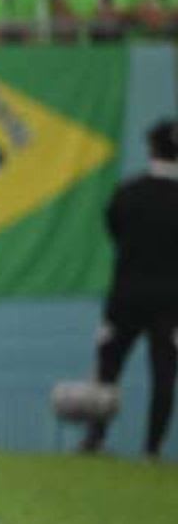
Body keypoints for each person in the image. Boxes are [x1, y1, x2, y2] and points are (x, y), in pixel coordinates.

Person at [80, 119, 178, 459]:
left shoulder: (129, 194)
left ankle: (94, 438)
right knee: (164, 373)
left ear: (151, 149)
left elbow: (115, 230)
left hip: (126, 297)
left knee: (109, 367)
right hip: (171, 301)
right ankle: (152, 449)